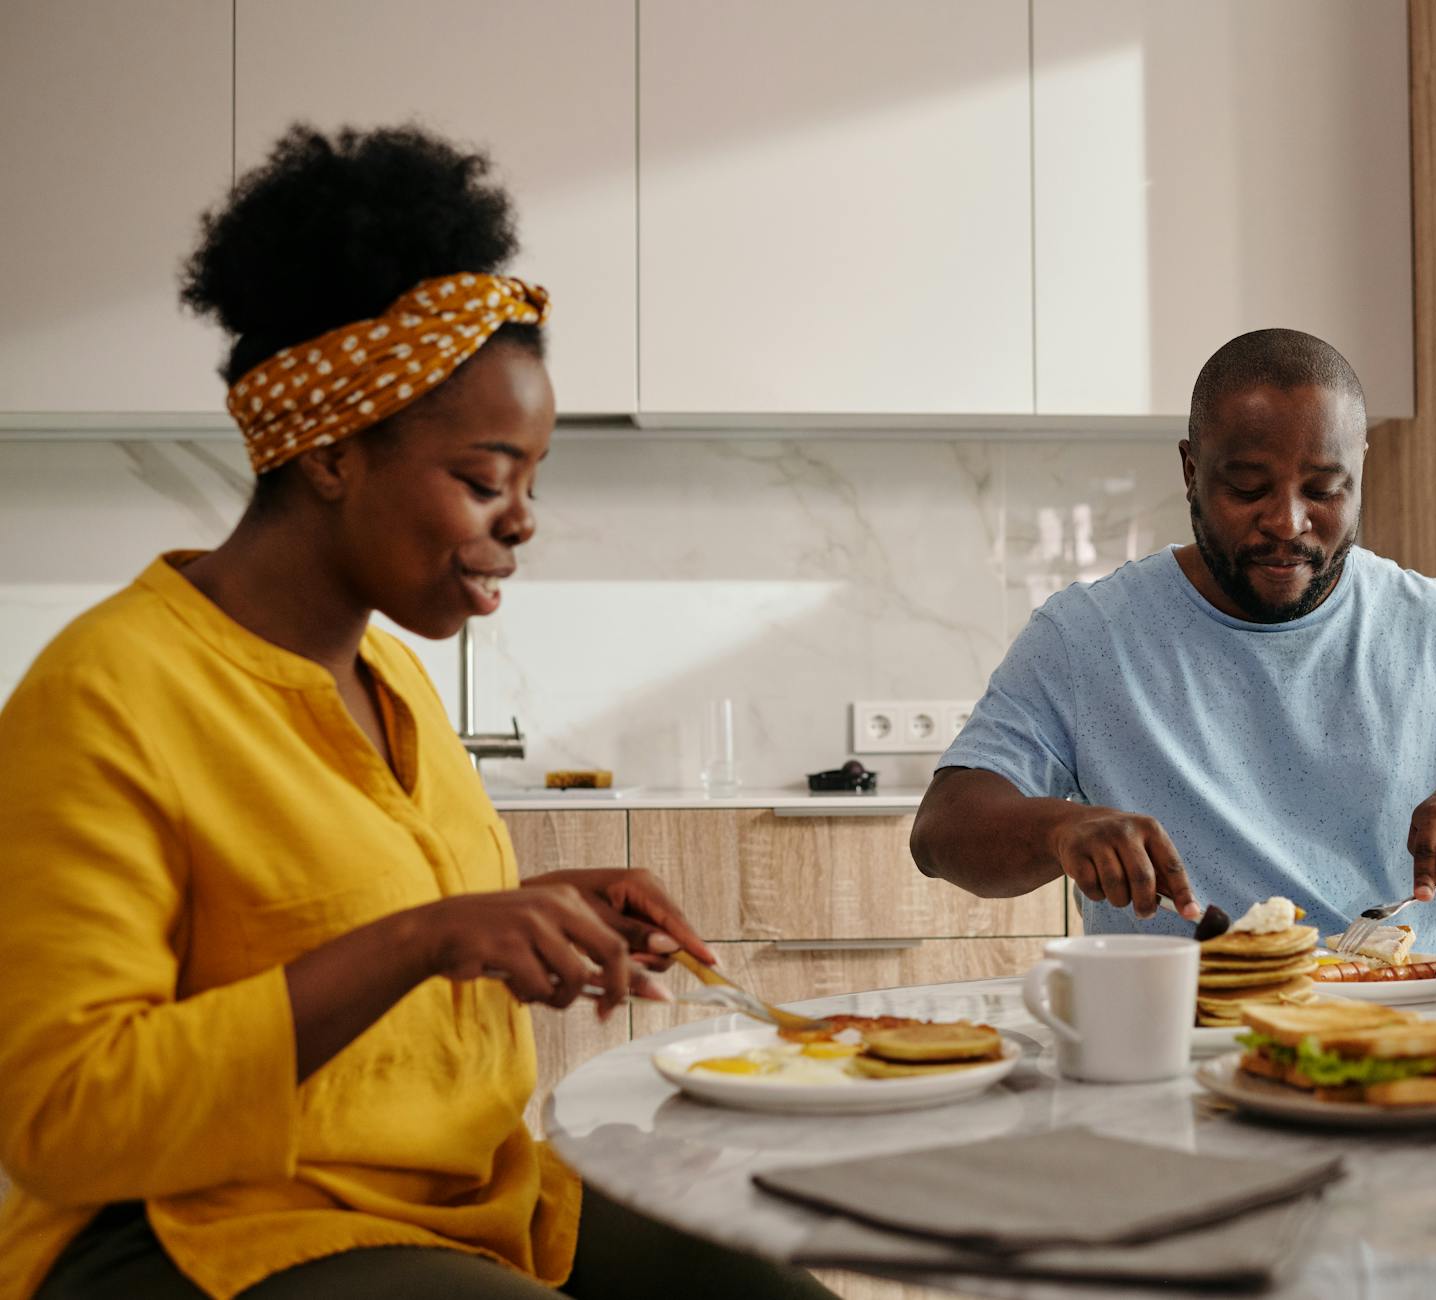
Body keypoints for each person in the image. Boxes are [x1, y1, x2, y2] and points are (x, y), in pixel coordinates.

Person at [0, 125, 832, 1300]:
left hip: (467, 1197)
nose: (524, 520)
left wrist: (522, 915)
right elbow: (60, 1118)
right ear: (334, 453)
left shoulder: (390, 681)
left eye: (534, 482)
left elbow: (348, 923)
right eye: (486, 480)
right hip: (211, 1231)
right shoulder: (106, 693)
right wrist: (426, 938)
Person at [911, 329, 1436, 951]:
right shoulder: (1086, 635)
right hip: (1176, 1042)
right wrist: (1057, 829)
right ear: (1190, 471)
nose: (1288, 522)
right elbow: (942, 834)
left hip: (1397, 1042)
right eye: (1247, 488)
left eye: (1325, 489)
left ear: (1359, 472)